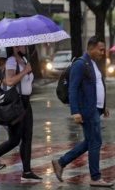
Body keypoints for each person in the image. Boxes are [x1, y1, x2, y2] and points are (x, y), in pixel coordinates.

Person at [52, 36, 113, 187]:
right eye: (100, 49)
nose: (102, 53)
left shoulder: (92, 64)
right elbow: (73, 88)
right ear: (91, 47)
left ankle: (61, 162)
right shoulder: (80, 63)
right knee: (95, 142)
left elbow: (95, 86)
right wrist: (75, 111)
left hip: (95, 109)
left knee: (90, 142)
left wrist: (103, 106)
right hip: (87, 110)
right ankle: (95, 177)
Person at [0, 45, 41, 182]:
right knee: (14, 140)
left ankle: (27, 171)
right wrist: (25, 71)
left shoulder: (24, 59)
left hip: (26, 103)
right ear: (14, 46)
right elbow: (10, 81)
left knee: (27, 138)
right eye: (22, 44)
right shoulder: (12, 61)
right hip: (16, 103)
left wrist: (27, 68)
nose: (25, 46)